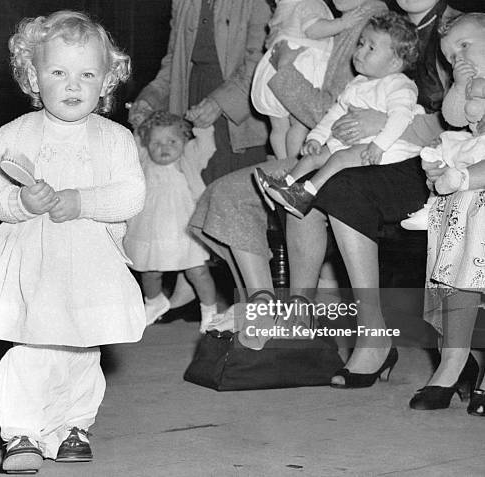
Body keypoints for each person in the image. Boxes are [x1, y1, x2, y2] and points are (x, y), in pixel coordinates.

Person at [190, 0, 457, 381]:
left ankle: (301, 312)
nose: (362, 52)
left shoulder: (404, 31)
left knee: (323, 188)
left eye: (368, 48)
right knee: (228, 192)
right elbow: (327, 111)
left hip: (383, 152)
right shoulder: (328, 19)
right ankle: (265, 307)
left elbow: (446, 115)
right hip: (329, 144)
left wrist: (285, 72)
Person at [0, 11, 145, 474]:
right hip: (33, 259)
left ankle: (74, 425)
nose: (73, 84)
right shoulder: (14, 133)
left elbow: (131, 194)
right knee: (31, 345)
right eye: (57, 72)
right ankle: (22, 432)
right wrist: (21, 199)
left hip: (92, 258)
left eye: (87, 74)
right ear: (33, 78)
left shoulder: (116, 137)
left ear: (107, 82)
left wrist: (81, 201)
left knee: (84, 345)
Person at [128, 0, 271, 315]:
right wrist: (148, 99)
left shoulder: (255, 4)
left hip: (236, 113)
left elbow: (261, 62)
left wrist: (220, 103)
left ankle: (253, 303)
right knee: (189, 207)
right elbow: (172, 63)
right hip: (191, 105)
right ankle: (192, 287)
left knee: (232, 212)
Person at [256, 12, 423, 219]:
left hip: (388, 147)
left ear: (394, 63)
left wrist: (379, 145)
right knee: (314, 156)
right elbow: (334, 113)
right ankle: (286, 185)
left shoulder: (399, 85)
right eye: (361, 44)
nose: (359, 52)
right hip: (353, 143)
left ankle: (304, 194)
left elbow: (401, 118)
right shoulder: (358, 83)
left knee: (338, 158)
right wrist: (317, 137)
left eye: (371, 48)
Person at [408, 12, 485, 412]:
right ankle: (454, 360)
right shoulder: (467, 84)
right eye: (450, 53)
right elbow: (456, 116)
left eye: (465, 46)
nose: (458, 56)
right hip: (473, 187)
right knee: (459, 229)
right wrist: (460, 82)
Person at [124, 111, 218, 332]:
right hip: (151, 232)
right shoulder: (144, 158)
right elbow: (131, 148)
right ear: (147, 144)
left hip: (185, 231)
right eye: (156, 142)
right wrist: (137, 129)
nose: (164, 147)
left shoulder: (189, 158)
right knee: (149, 273)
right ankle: (154, 301)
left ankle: (210, 311)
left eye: (172, 141)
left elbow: (207, 145)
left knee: (198, 272)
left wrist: (200, 125)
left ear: (184, 141)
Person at [251, 0, 368, 162]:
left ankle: (281, 161)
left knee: (278, 128)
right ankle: (293, 164)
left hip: (272, 68)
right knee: (299, 124)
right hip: (299, 64)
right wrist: (342, 23)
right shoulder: (309, 3)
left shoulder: (283, 6)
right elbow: (314, 30)